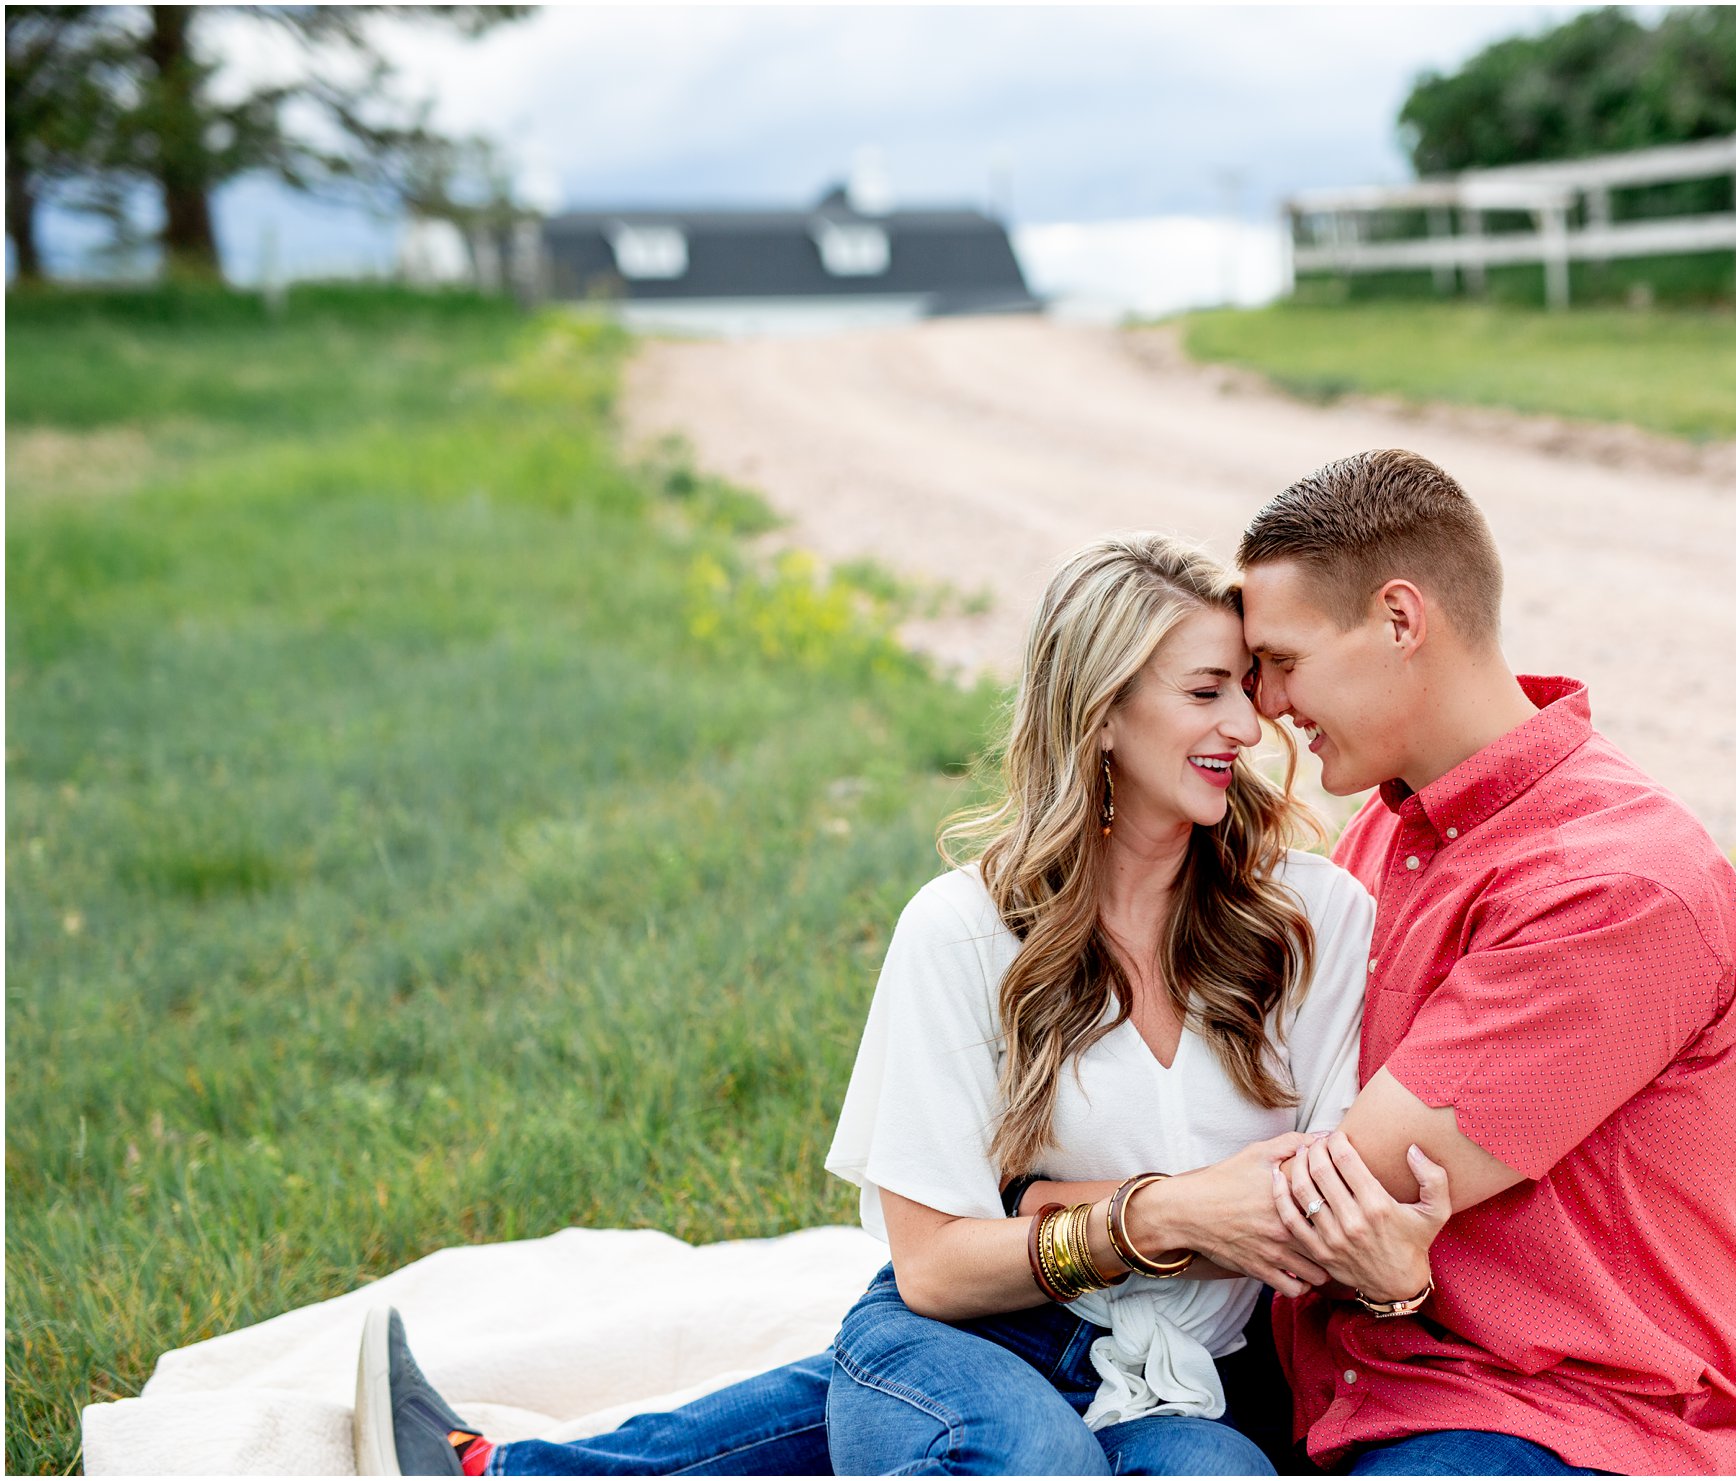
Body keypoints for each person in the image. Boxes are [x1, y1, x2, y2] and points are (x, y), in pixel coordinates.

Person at [351, 532, 1446, 1477]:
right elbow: (933, 1264)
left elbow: (1310, 1209)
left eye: (1246, 690)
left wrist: (1044, 1198)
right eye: (1204, 691)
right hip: (972, 1335)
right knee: (1026, 1460)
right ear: (1101, 711)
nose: (1247, 729)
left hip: (1182, 1383)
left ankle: (502, 1469)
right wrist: (1161, 1213)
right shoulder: (965, 928)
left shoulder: (1312, 917)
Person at [1214, 448, 1736, 1475]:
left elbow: (1344, 1190)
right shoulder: (1386, 830)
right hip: (1353, 1360)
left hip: (1545, 1408)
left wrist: (1078, 1221)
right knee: (898, 1379)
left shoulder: (1614, 883)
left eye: (1283, 661)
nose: (1262, 702)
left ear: (1400, 620)